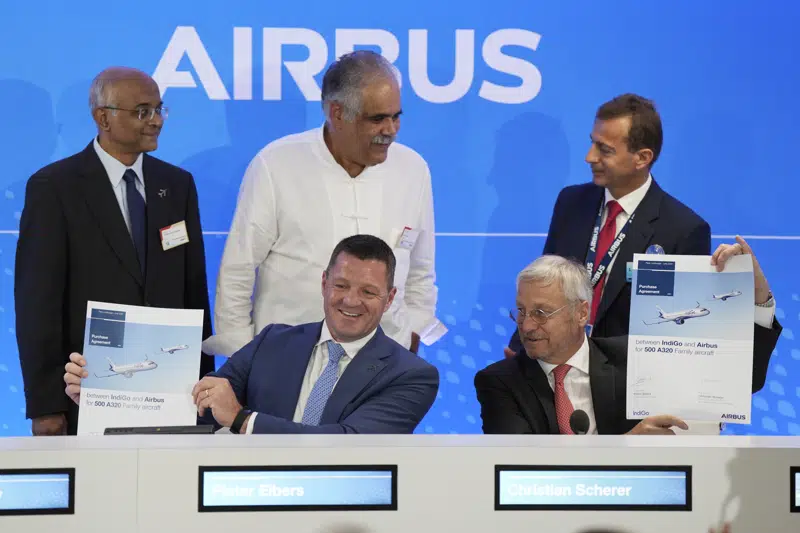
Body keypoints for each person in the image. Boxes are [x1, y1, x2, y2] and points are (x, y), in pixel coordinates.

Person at [64, 235, 439, 434]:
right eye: (341, 285)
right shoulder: (272, 341)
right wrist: (108, 398)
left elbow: (348, 443)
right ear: (324, 283)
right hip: (250, 501)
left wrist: (243, 420)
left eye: (369, 292)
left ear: (390, 299)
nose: (351, 301)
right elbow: (195, 409)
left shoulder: (410, 374)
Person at [16, 67, 215, 436]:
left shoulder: (177, 185)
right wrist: (45, 406)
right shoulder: (54, 187)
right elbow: (36, 306)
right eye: (142, 111)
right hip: (85, 391)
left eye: (159, 110)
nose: (155, 121)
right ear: (102, 117)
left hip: (170, 393)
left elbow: (193, 291)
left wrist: (204, 384)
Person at [204, 50, 439, 357]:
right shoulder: (276, 165)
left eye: (396, 117)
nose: (391, 130)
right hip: (287, 359)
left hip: (383, 364)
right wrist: (241, 356)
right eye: (377, 119)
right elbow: (238, 269)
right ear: (337, 113)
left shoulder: (413, 169)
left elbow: (421, 270)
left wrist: (413, 336)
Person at [476, 237, 780, 435]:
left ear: (582, 313)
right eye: (521, 311)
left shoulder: (635, 359)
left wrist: (757, 296)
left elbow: (740, 380)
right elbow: (520, 467)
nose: (527, 326)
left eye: (541, 313)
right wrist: (625, 446)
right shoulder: (500, 382)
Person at [507, 94, 710, 356]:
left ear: (642, 158)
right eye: (593, 144)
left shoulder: (684, 230)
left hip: (625, 383)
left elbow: (679, 336)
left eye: (605, 150)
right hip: (553, 371)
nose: (589, 157)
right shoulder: (571, 203)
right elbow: (542, 286)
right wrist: (520, 353)